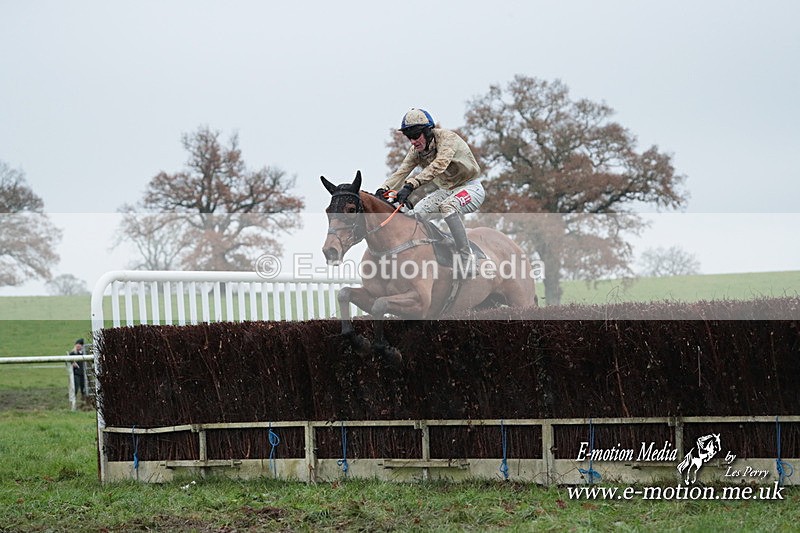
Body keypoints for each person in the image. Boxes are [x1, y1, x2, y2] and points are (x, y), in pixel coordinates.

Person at [376, 108, 485, 278]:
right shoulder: (415, 152)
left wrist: (410, 186)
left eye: (416, 135)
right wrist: (382, 190)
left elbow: (438, 165)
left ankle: (466, 258)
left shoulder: (447, 139)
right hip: (447, 190)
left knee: (447, 207)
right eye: (409, 136)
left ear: (427, 132)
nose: (413, 141)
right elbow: (401, 172)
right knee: (415, 216)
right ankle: (440, 247)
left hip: (471, 188)